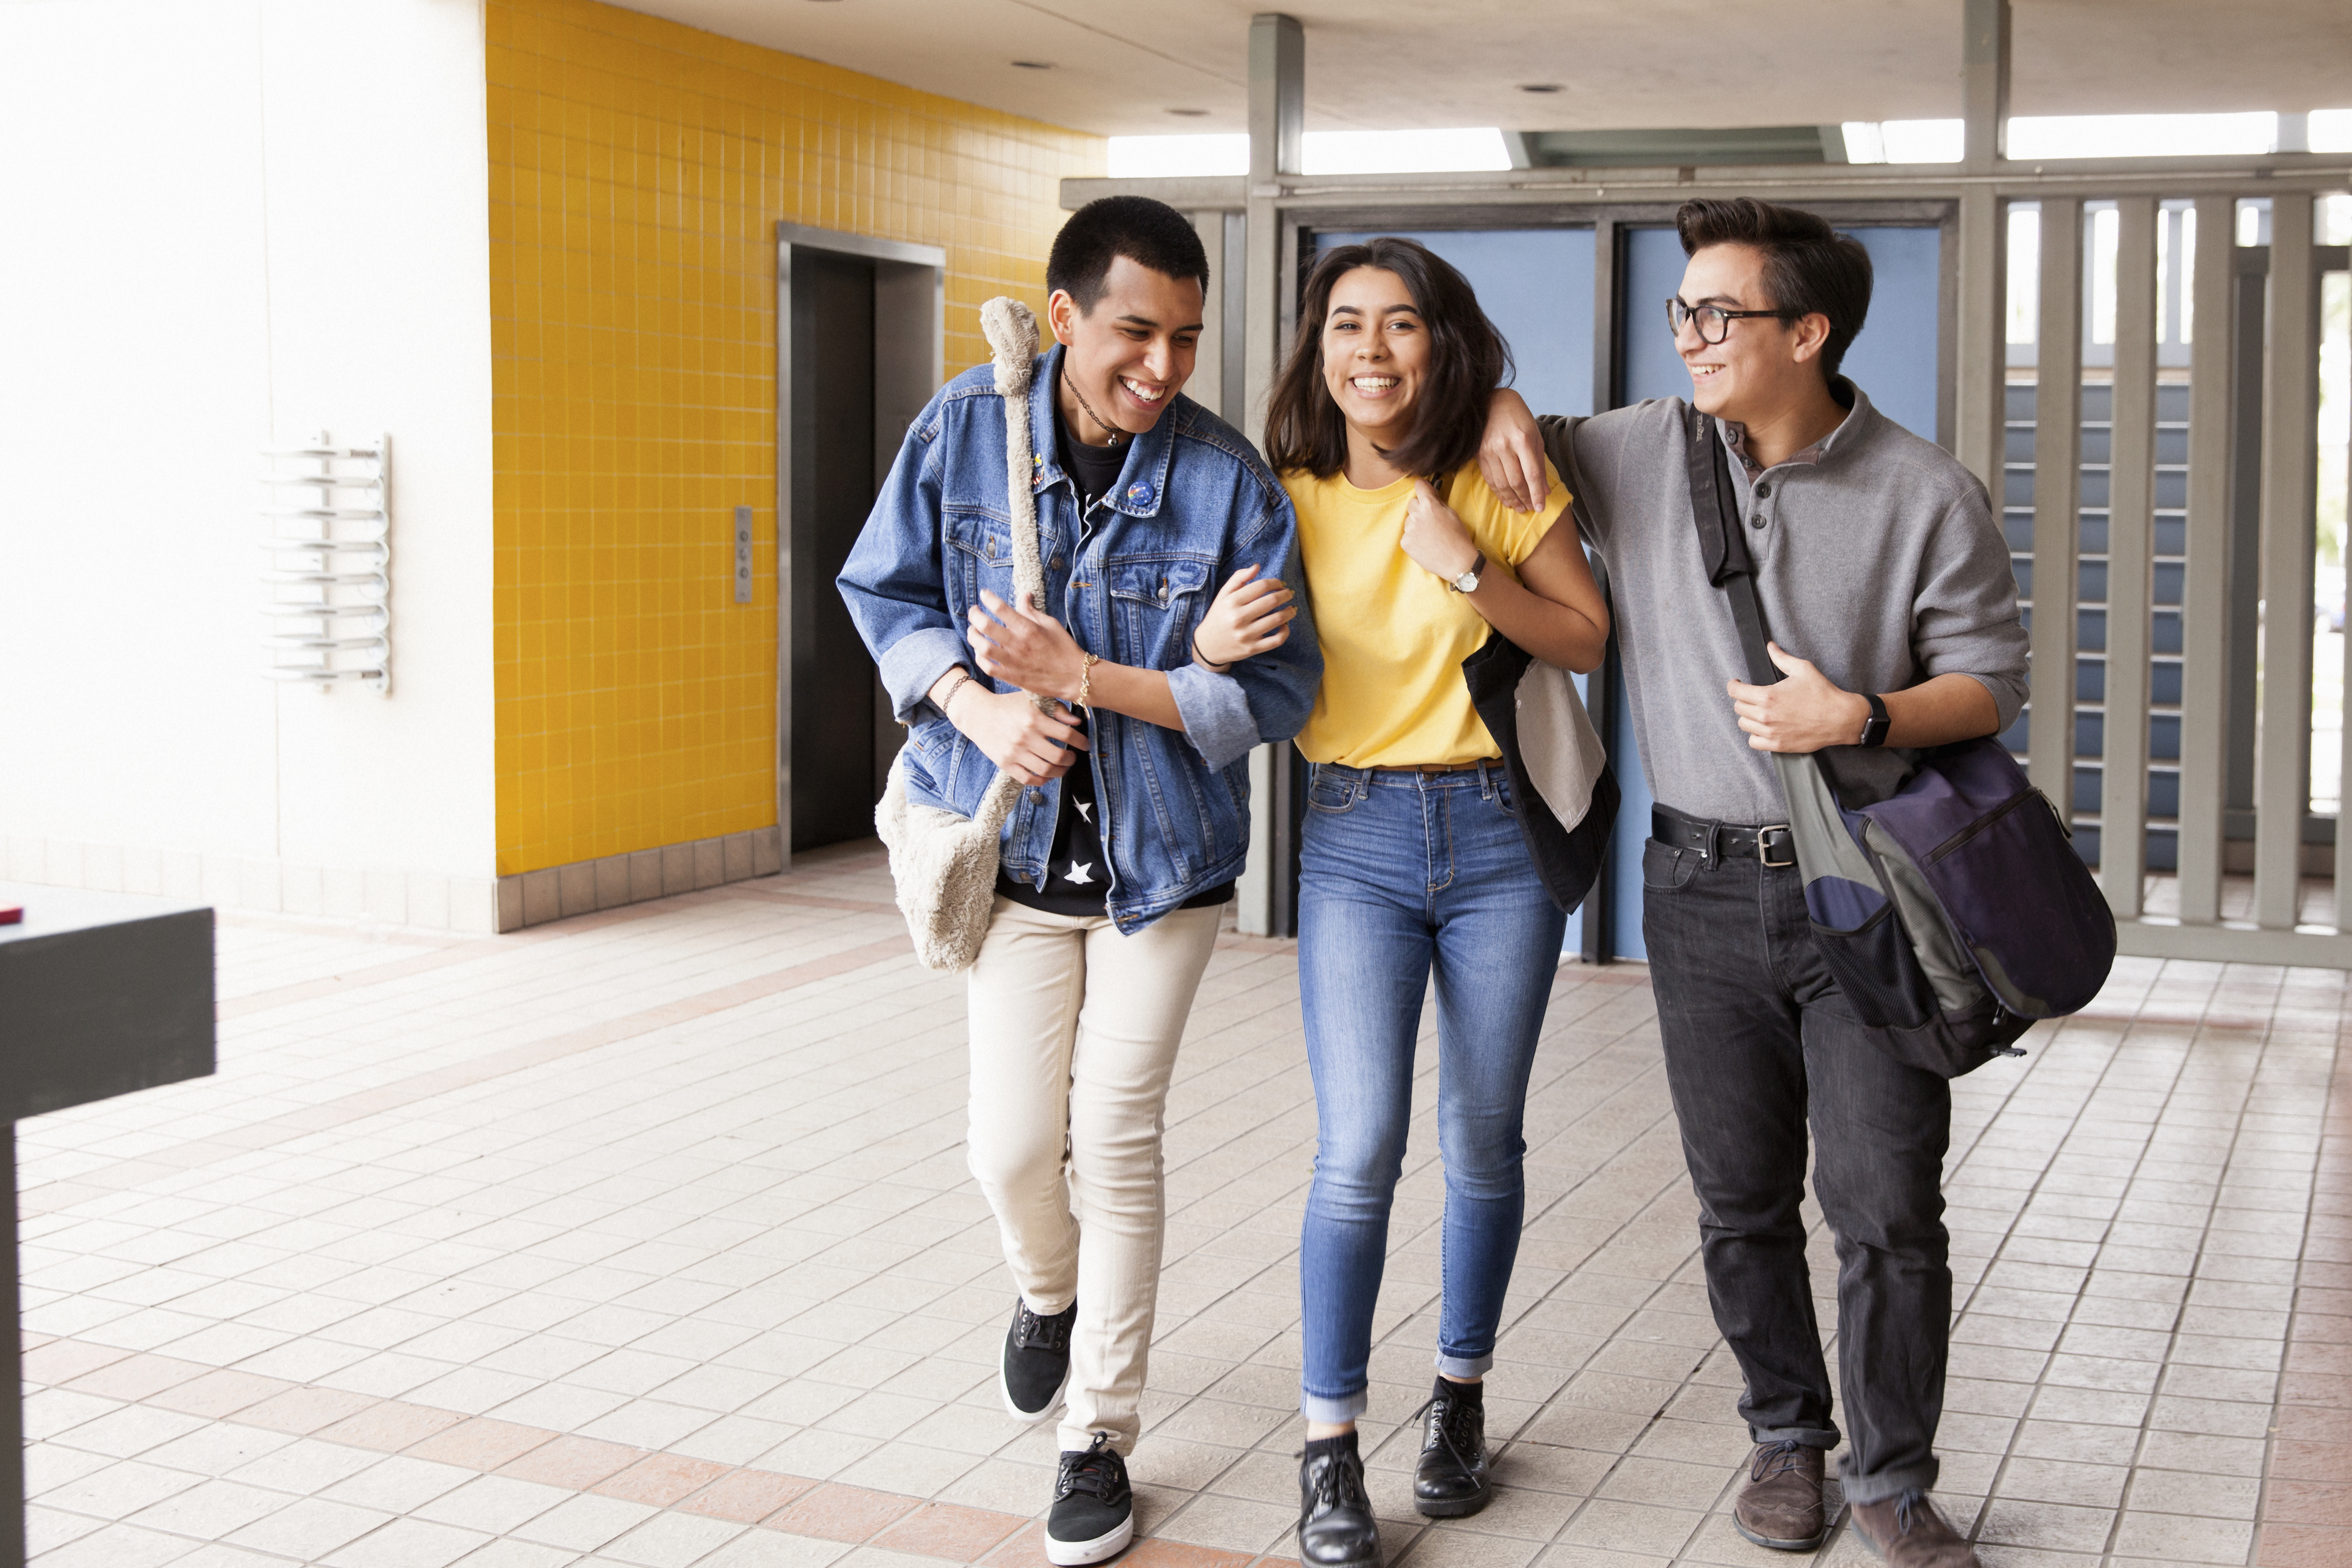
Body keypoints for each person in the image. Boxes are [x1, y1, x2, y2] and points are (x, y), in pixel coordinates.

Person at [1479, 198, 2028, 1568]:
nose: (1691, 335)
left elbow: (1989, 686)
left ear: (1808, 331)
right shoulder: (1642, 451)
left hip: (1865, 896)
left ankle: (1892, 1475)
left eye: (1718, 314)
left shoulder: (1922, 490)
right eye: (1683, 311)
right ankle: (1785, 1441)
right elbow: (1487, 441)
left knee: (1886, 1205)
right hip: (1696, 887)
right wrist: (1494, 395)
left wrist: (1859, 717)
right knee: (1736, 1198)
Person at [837, 196, 1321, 1566]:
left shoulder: (1228, 484)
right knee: (1004, 1148)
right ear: (1062, 321)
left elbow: (1281, 693)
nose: (1161, 368)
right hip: (1012, 856)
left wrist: (1181, 678)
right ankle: (1045, 1295)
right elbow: (886, 591)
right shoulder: (963, 433)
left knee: (1113, 1138)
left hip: (1161, 870)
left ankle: (1097, 1434)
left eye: (1184, 337)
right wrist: (973, 707)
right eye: (1132, 333)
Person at [1265, 238, 1610, 1568]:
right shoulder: (1283, 488)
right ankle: (1329, 1448)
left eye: (1400, 326)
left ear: (1440, 343)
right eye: (1346, 324)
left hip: (1496, 839)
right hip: (1351, 834)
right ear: (1318, 347)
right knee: (1356, 1150)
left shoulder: (1497, 471)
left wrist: (1469, 562)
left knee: (1483, 1138)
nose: (1371, 350)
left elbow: (1587, 636)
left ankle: (1458, 1402)